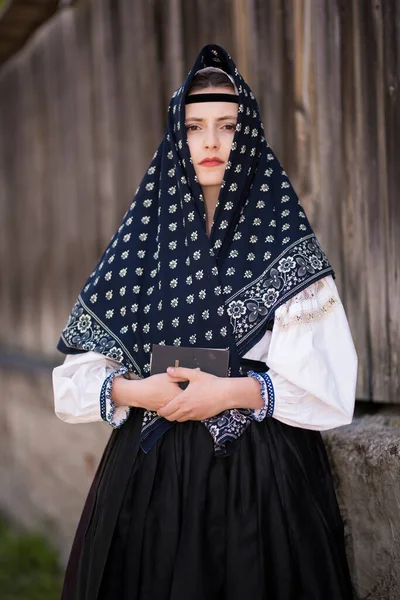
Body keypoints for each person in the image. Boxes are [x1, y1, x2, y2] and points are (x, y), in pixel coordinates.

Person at [53, 44, 357, 600]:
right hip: (150, 481)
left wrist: (228, 394)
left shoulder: (279, 236)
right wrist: (136, 391)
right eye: (194, 126)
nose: (212, 141)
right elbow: (73, 381)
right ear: (177, 135)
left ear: (250, 132)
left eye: (226, 125)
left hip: (261, 481)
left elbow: (329, 390)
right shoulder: (143, 239)